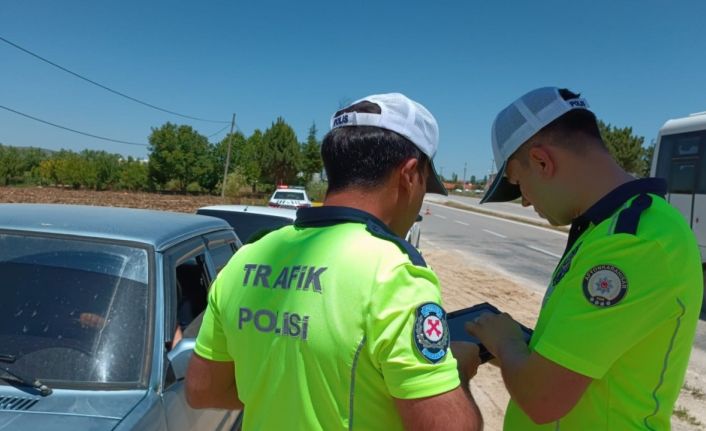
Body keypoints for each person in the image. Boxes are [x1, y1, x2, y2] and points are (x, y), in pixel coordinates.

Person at [185, 93, 483, 430]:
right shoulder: (394, 273)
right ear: (410, 174)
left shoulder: (246, 258)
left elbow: (201, 390)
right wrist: (458, 370)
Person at [467, 86, 703, 429]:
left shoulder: (634, 242)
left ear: (541, 161)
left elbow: (542, 399)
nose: (526, 202)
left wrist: (506, 343)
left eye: (519, 185)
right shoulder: (605, 229)